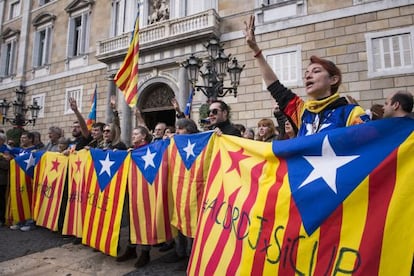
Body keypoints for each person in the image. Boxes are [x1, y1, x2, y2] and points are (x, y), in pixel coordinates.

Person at [243, 15, 369, 137]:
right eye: (306, 73)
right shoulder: (302, 112)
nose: (308, 76)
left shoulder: (351, 113)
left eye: (316, 71)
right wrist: (255, 50)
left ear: (333, 79)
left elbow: (373, 147)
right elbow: (275, 88)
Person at [116, 126, 153, 268]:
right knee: (132, 219)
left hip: (145, 191)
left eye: (136, 134)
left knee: (144, 221)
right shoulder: (131, 150)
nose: (133, 136)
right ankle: (131, 248)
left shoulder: (149, 150)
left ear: (143, 136)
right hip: (131, 188)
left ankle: (145, 252)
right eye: (133, 133)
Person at [0, 133, 12, 226]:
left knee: (1, 200)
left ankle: (1, 219)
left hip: (2, 180)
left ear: (2, 141)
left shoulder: (6, 151)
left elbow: (6, 165)